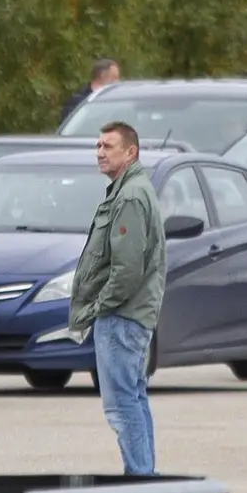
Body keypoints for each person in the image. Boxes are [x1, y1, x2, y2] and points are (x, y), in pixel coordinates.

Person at [75, 119, 166, 474]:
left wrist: (100, 307)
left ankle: (140, 477)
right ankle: (145, 474)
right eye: (98, 145)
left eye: (108, 146)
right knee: (135, 397)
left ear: (131, 152)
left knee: (121, 404)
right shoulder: (131, 188)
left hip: (122, 317)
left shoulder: (130, 195)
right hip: (129, 315)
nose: (100, 152)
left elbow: (127, 269)